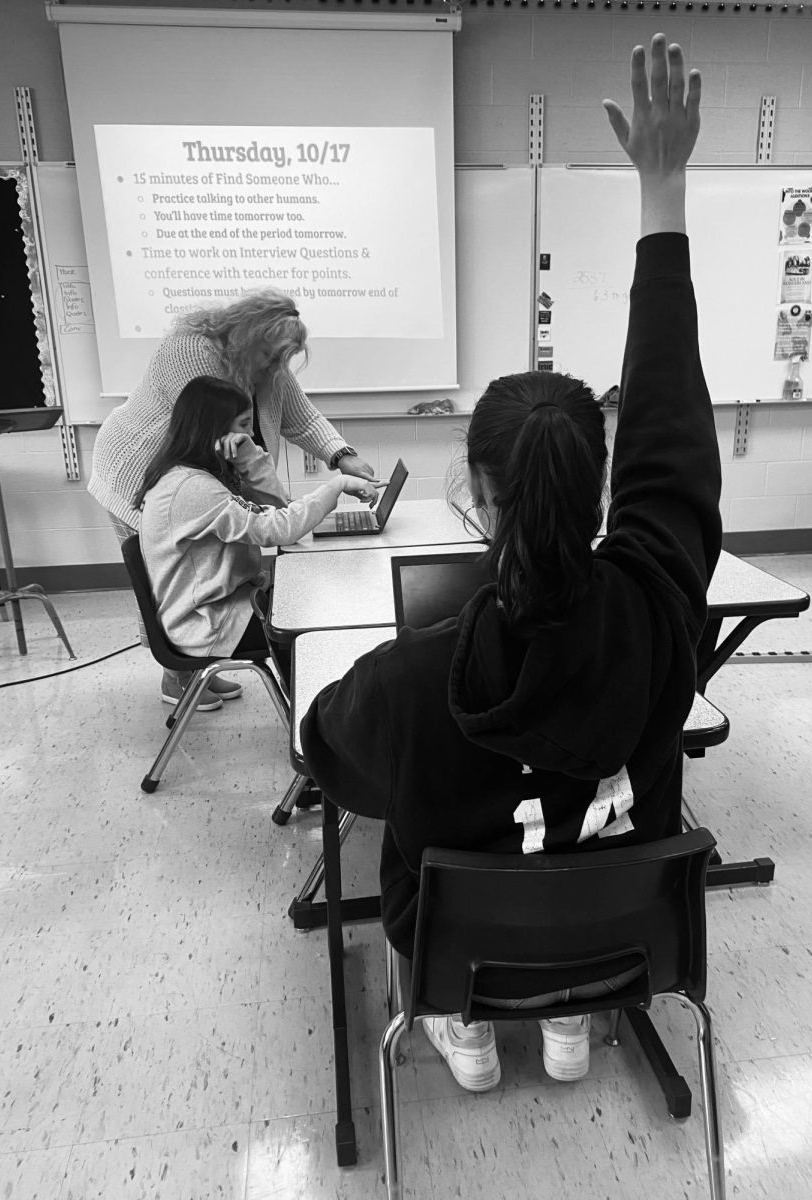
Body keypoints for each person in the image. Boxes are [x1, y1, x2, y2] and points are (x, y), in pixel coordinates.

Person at [300, 36, 721, 1091]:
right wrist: (662, 190)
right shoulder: (664, 616)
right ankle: (578, 1022)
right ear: (601, 494)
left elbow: (329, 758)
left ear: (479, 496)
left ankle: (471, 1029)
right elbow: (673, 422)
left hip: (461, 958)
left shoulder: (407, 684)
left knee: (421, 847)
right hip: (623, 941)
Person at [89, 290, 374, 707]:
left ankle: (203, 661)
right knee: (174, 579)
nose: (277, 368)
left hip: (193, 484)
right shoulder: (194, 359)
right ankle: (185, 671)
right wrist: (321, 492)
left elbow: (301, 416)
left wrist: (341, 456)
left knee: (206, 571)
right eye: (271, 356)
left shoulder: (263, 365)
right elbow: (223, 444)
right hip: (134, 471)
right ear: (248, 336)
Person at [136, 376, 380, 706]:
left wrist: (249, 458)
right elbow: (277, 530)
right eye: (242, 425)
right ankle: (318, 717)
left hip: (221, 605)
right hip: (205, 623)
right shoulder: (192, 488)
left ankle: (328, 707)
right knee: (309, 619)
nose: (250, 434)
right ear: (214, 428)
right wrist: (335, 487)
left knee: (305, 592)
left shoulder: (197, 475)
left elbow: (280, 509)